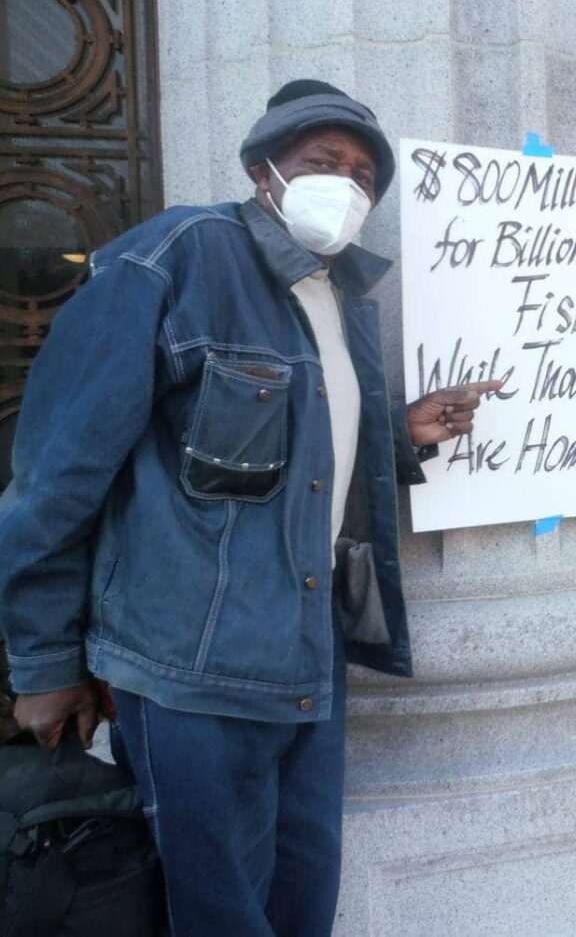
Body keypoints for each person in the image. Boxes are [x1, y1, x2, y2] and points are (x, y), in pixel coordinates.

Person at [0, 79, 499, 937]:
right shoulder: (173, 259)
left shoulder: (339, 294)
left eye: (362, 173)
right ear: (263, 168)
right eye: (322, 162)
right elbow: (56, 477)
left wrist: (399, 435)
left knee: (301, 901)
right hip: (189, 668)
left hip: (309, 660)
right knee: (220, 912)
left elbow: (293, 457)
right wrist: (43, 663)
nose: (346, 184)